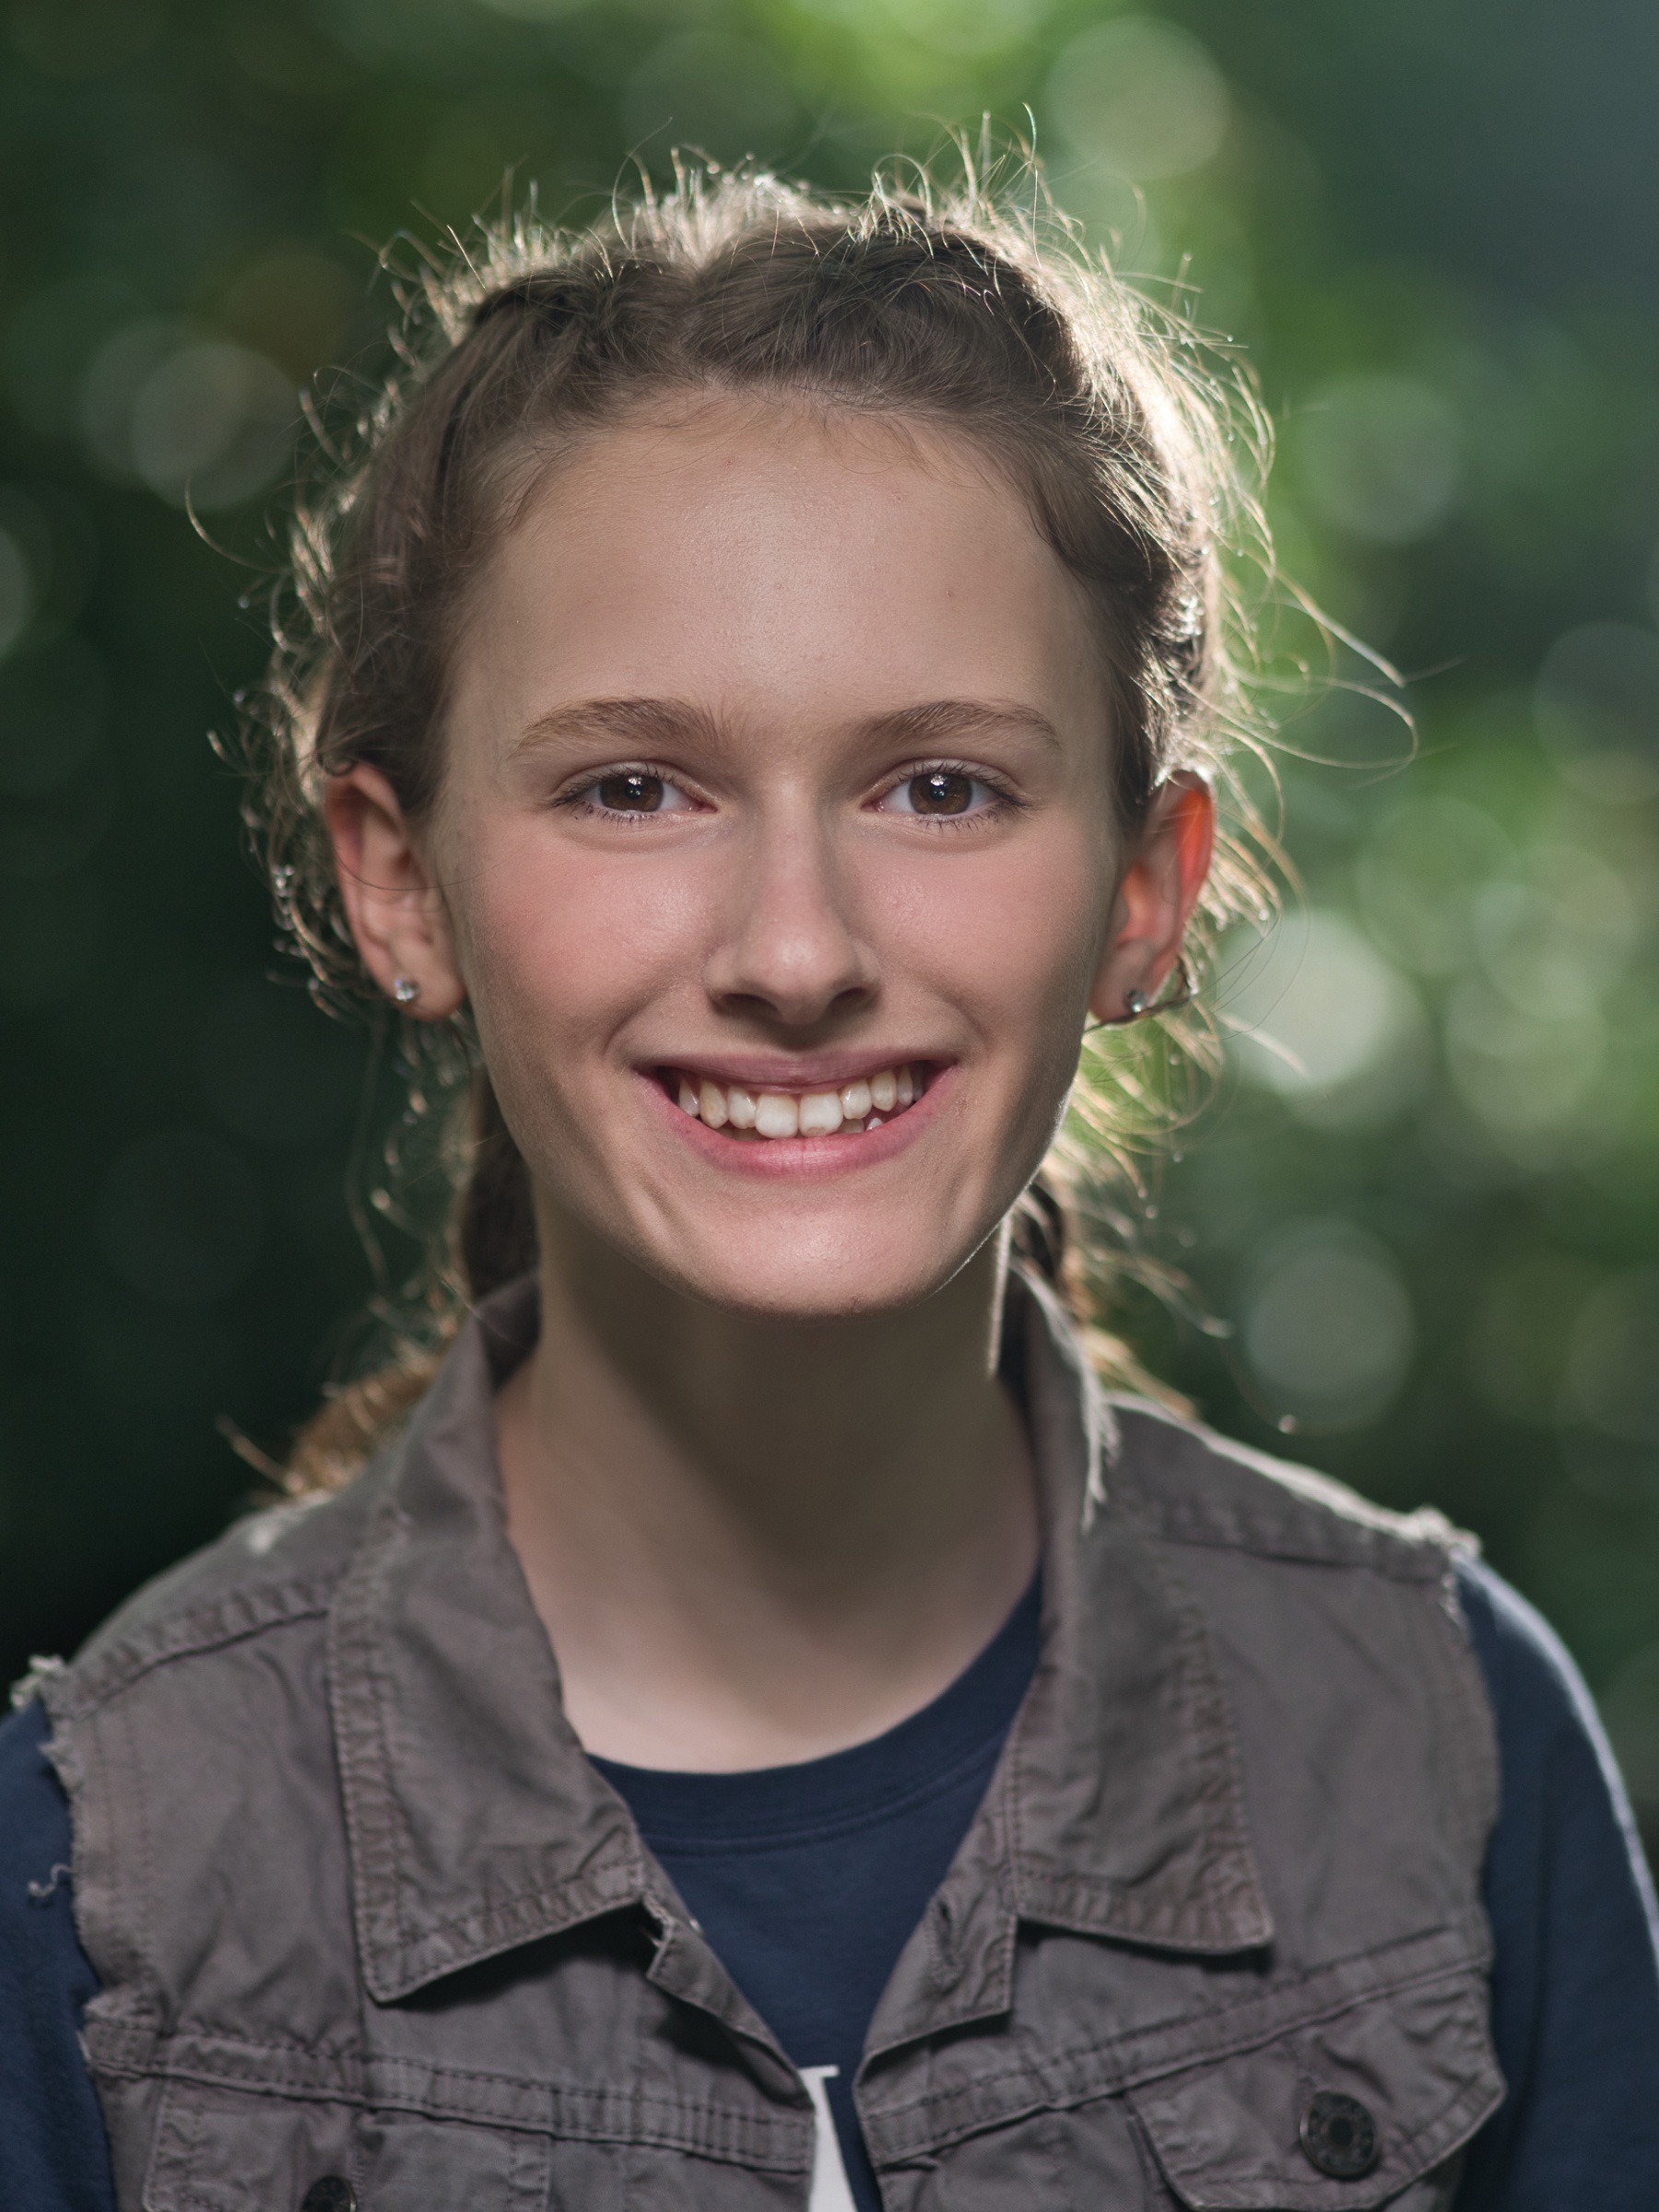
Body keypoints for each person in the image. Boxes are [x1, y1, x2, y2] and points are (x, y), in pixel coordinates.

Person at [3, 165, 1656, 2212]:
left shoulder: (1444, 1743)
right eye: (636, 787)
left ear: (1146, 892)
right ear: (402, 881)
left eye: (941, 786)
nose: (796, 950)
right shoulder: (107, 1869)